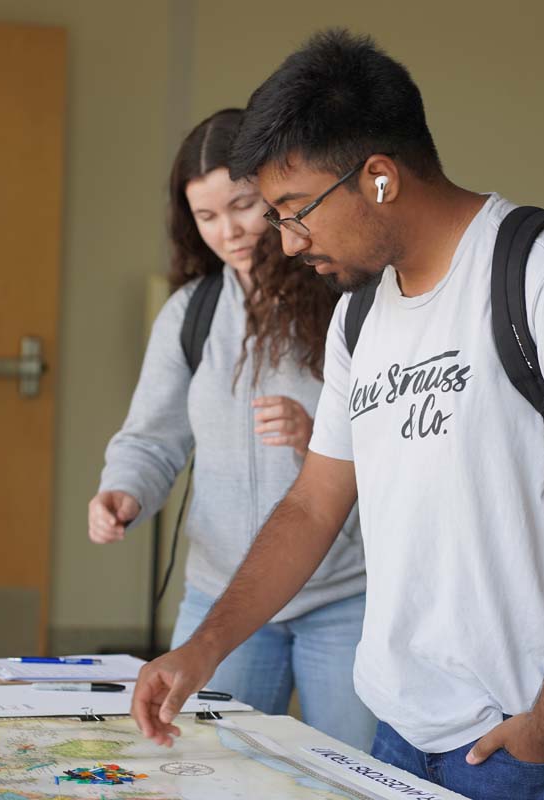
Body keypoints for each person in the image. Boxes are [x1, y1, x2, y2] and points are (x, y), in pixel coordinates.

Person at [130, 32, 544, 800]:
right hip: (402, 732)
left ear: (378, 178)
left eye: (294, 210)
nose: (284, 240)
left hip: (528, 741)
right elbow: (314, 505)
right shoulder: (361, 317)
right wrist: (200, 650)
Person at [89, 108, 375, 751]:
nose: (230, 231)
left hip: (345, 595)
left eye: (243, 206)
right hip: (222, 597)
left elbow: (399, 442)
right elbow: (151, 437)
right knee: (204, 769)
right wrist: (124, 490)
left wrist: (315, 435)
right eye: (207, 217)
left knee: (355, 775)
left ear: (276, 195)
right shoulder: (191, 312)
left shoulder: (346, 296)